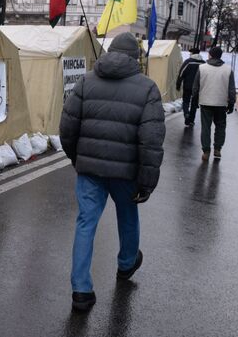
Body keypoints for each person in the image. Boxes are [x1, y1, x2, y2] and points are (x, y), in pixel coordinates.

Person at [59, 32, 165, 312]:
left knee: (85, 224)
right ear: (136, 58)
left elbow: (67, 126)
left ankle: (81, 290)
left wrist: (76, 158)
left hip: (90, 169)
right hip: (126, 172)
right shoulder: (147, 88)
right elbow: (151, 139)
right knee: (128, 215)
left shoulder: (86, 81)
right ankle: (127, 263)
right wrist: (147, 181)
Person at [191, 46, 235, 161]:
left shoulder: (202, 68)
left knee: (206, 127)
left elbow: (195, 88)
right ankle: (217, 149)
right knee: (220, 126)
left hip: (205, 102)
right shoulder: (228, 69)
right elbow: (231, 89)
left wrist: (195, 101)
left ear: (210, 55)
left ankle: (206, 151)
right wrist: (231, 103)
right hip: (221, 103)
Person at [177, 47, 205, 126]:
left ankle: (186, 114)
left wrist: (178, 84)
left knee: (186, 101)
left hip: (187, 86)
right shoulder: (203, 63)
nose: (189, 54)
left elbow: (181, 73)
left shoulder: (188, 62)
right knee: (194, 103)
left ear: (192, 53)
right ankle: (191, 120)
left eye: (190, 53)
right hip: (198, 87)